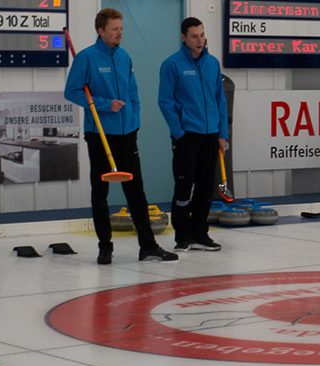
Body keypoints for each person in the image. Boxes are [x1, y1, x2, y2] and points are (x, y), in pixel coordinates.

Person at [65, 8, 177, 265]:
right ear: (100, 30)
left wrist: (134, 121)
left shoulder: (125, 57)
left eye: (121, 29)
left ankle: (147, 246)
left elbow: (133, 93)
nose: (119, 33)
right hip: (100, 135)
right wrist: (105, 104)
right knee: (100, 192)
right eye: (114, 29)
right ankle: (105, 247)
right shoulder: (86, 58)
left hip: (127, 134)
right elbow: (71, 92)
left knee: (136, 191)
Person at [159, 17, 229, 252]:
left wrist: (222, 134)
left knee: (205, 187)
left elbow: (220, 100)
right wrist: (179, 133)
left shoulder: (212, 64)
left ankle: (200, 233)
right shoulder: (172, 65)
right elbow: (165, 102)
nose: (200, 40)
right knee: (183, 187)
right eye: (194, 36)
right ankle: (182, 235)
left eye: (202, 35)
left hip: (210, 135)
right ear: (183, 38)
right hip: (187, 135)